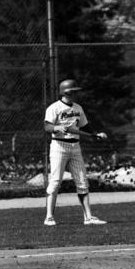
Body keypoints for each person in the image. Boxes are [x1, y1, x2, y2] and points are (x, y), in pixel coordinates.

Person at [44, 79, 107, 226]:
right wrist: (56, 128)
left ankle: (88, 217)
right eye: (73, 91)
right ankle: (49, 217)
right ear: (66, 92)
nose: (76, 94)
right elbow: (47, 126)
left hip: (75, 146)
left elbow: (85, 126)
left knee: (82, 181)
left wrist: (96, 134)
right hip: (59, 146)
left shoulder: (78, 108)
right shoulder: (54, 108)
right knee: (55, 182)